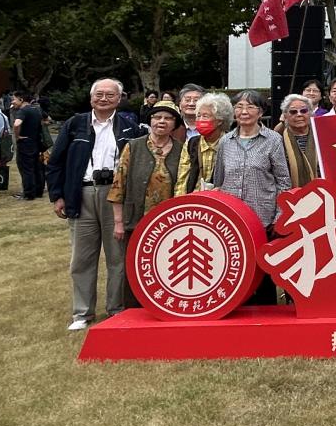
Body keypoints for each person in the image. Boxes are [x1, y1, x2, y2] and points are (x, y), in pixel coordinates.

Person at [46, 78, 146, 331]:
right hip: (82, 193)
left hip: (116, 196)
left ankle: (116, 309)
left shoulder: (129, 127)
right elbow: (56, 162)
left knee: (117, 257)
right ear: (91, 97)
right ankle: (82, 313)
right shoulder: (75, 124)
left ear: (119, 99)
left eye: (110, 95)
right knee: (82, 258)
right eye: (99, 94)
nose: (104, 99)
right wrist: (58, 195)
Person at [212, 91, 291, 305]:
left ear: (260, 112)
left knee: (263, 276)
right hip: (232, 221)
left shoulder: (273, 140)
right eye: (239, 107)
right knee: (235, 273)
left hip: (262, 219)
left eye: (250, 107)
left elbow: (283, 181)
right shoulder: (225, 142)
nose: (244, 111)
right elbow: (219, 180)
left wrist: (279, 217)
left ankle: (266, 319)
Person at [108, 98, 184, 306]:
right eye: (157, 117)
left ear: (175, 124)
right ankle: (132, 308)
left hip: (169, 223)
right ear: (150, 120)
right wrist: (118, 221)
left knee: (166, 265)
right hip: (137, 218)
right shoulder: (134, 147)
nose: (162, 122)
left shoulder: (182, 150)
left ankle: (164, 305)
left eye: (168, 118)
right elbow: (119, 184)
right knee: (135, 265)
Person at [175, 92, 233, 194]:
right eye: (198, 116)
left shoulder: (231, 144)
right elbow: (182, 179)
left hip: (220, 199)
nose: (200, 120)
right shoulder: (191, 143)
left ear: (219, 120)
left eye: (205, 116)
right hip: (194, 198)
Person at [11, 90, 47, 200]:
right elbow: (47, 119)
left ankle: (29, 193)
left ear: (21, 99)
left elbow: (16, 124)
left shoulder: (23, 111)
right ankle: (39, 191)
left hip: (25, 143)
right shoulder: (36, 109)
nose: (12, 102)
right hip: (36, 142)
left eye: (14, 99)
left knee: (26, 169)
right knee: (37, 167)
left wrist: (17, 136)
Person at [280, 93, 320, 187]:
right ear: (285, 115)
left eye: (304, 111)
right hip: (289, 192)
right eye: (293, 112)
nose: (299, 114)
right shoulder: (278, 140)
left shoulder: (321, 136)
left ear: (310, 113)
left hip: (321, 191)